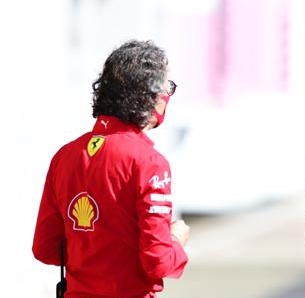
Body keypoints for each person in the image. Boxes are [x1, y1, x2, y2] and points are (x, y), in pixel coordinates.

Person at [32, 40, 190, 298]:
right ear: (151, 97)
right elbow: (159, 261)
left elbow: (46, 248)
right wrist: (176, 241)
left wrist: (92, 250)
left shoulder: (64, 156)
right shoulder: (149, 162)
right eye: (167, 88)